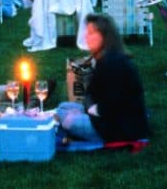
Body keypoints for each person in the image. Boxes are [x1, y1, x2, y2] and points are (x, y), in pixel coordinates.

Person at [56, 14, 149, 144]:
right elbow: (92, 93)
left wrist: (91, 110)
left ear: (105, 37)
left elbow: (111, 105)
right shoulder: (105, 58)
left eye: (91, 33)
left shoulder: (114, 63)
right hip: (104, 115)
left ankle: (85, 130)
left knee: (64, 115)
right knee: (63, 107)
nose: (86, 37)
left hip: (117, 128)